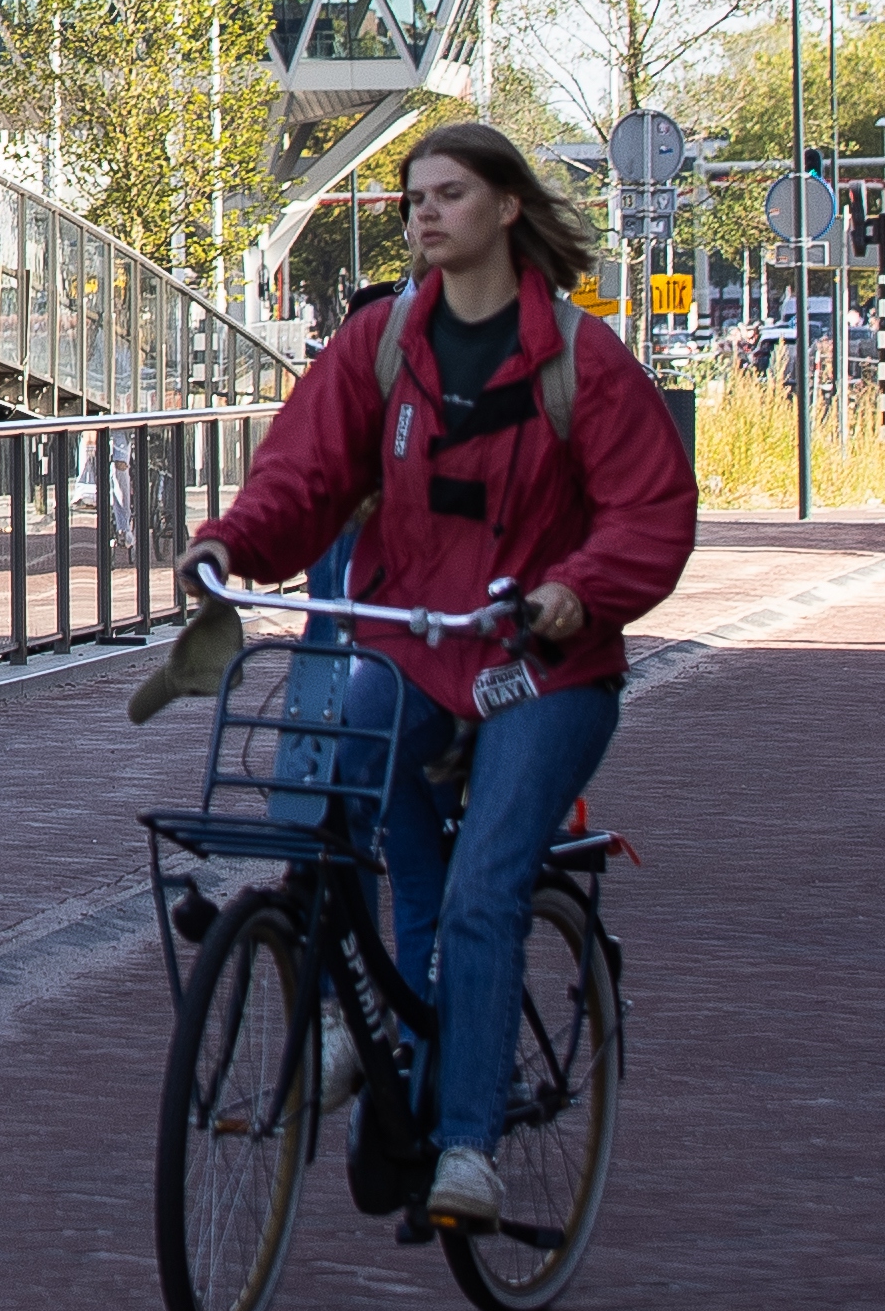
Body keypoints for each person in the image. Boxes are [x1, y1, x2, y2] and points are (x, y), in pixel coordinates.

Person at [184, 121, 699, 1238]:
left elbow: (651, 510)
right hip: (418, 645)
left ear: (508, 209)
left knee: (479, 893)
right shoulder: (382, 341)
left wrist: (580, 590)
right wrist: (232, 543)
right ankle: (338, 1018)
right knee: (324, 788)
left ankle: (466, 1145)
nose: (425, 214)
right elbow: (306, 471)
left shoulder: (580, 358)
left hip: (541, 668)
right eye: (414, 197)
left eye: (450, 194)